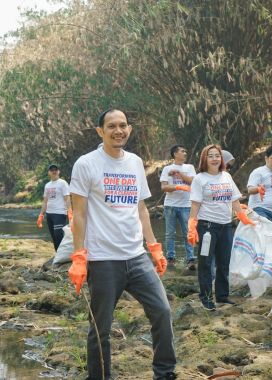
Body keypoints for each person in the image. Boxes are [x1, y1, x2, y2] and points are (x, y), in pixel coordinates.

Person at [68, 108, 176, 380]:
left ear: (129, 129)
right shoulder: (86, 164)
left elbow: (140, 209)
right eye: (112, 126)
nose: (119, 130)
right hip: (103, 260)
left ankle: (164, 373)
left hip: (136, 256)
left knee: (162, 311)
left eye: (123, 125)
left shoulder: (135, 162)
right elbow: (78, 214)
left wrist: (153, 247)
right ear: (100, 131)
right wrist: (79, 256)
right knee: (100, 327)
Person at [187, 144, 255, 311]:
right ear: (205, 158)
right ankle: (206, 298)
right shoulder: (199, 179)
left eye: (217, 155)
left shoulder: (226, 176)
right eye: (210, 155)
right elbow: (195, 204)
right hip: (207, 227)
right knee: (205, 262)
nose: (215, 158)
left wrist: (243, 217)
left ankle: (222, 295)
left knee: (224, 262)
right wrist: (192, 225)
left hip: (225, 226)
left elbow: (234, 201)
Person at [160, 145, 196, 269]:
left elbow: (193, 182)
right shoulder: (167, 169)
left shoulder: (189, 167)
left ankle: (191, 259)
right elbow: (164, 187)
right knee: (170, 233)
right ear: (175, 154)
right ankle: (170, 258)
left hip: (186, 205)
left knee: (188, 232)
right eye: (182, 151)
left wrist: (179, 174)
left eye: (185, 151)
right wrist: (178, 187)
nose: (185, 153)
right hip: (170, 205)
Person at [247, 146, 272, 226]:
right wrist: (258, 189)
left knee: (271, 237)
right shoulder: (258, 172)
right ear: (266, 158)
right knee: (263, 235)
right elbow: (250, 190)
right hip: (259, 209)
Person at [37, 164, 72, 252]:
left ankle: (62, 255)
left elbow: (67, 198)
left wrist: (70, 212)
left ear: (58, 171)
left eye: (55, 170)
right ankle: (58, 255)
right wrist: (41, 215)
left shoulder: (62, 183)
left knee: (58, 235)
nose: (54, 171)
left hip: (59, 214)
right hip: (49, 214)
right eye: (52, 170)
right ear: (49, 172)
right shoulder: (47, 185)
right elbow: (45, 201)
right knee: (54, 237)